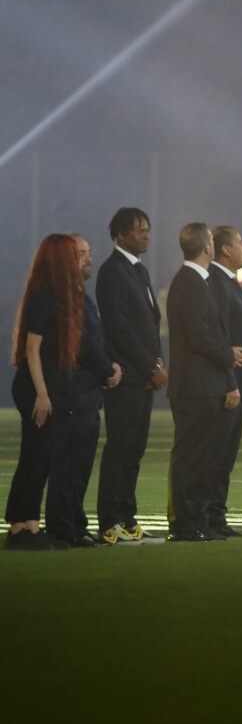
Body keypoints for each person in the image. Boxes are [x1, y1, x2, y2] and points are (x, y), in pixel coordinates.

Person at [5, 234, 120, 550]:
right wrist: (42, 394)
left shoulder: (59, 295)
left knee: (41, 459)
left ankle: (29, 525)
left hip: (45, 388)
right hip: (36, 388)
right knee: (34, 458)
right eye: (73, 253)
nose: (80, 258)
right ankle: (19, 528)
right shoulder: (45, 295)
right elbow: (32, 349)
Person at [164, 223, 242, 542]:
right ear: (208, 247)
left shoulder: (199, 281)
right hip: (194, 387)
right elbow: (200, 336)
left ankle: (198, 520)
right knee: (190, 458)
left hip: (205, 385)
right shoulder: (189, 282)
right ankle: (185, 523)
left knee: (202, 458)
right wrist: (228, 355)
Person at [95, 206, 166, 544]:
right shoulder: (112, 271)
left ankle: (127, 518)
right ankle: (110, 522)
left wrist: (157, 362)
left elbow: (150, 322)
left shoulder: (138, 269)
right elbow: (119, 328)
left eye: (148, 229)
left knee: (134, 450)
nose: (146, 235)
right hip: (127, 377)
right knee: (120, 449)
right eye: (140, 230)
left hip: (143, 376)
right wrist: (150, 366)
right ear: (121, 234)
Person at [208, 226, 242, 536]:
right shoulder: (217, 282)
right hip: (228, 384)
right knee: (216, 455)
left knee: (225, 457)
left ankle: (216, 516)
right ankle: (208, 516)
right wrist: (231, 382)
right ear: (226, 250)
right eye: (241, 242)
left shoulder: (228, 281)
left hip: (239, 382)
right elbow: (222, 336)